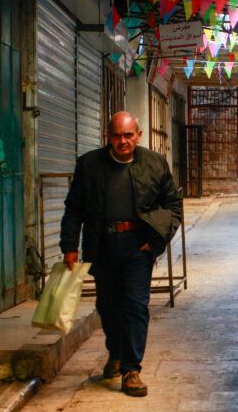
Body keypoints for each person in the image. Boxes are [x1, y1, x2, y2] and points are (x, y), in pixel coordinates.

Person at [60, 111, 183, 396]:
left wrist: (154, 243)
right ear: (108, 136)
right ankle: (115, 352)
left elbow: (173, 206)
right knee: (107, 307)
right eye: (117, 135)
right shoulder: (89, 165)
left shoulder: (154, 164)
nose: (122, 141)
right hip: (102, 245)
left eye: (128, 135)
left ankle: (131, 370)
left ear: (138, 136)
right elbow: (74, 208)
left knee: (135, 306)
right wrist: (69, 247)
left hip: (137, 246)